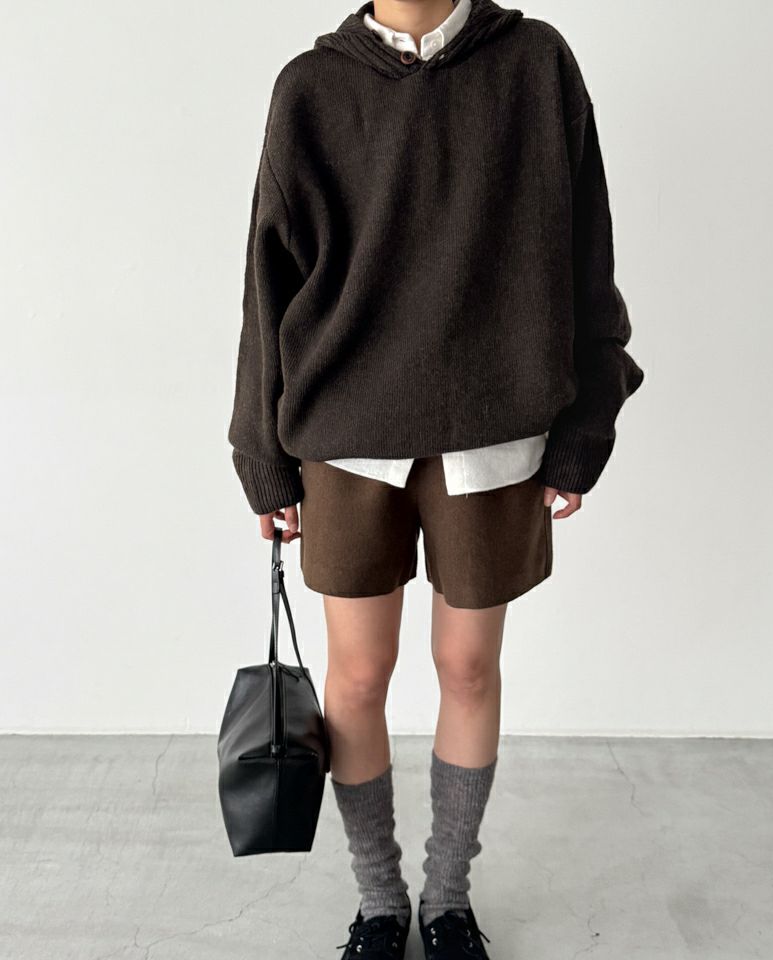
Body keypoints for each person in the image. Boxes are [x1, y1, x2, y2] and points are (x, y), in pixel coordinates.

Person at [228, 0, 644, 956]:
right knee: (356, 676)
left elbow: (587, 253)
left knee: (468, 668)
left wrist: (587, 424)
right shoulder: (311, 87)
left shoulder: (535, 65)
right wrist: (262, 452)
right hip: (346, 433)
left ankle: (447, 898)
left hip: (493, 431)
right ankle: (380, 901)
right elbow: (266, 279)